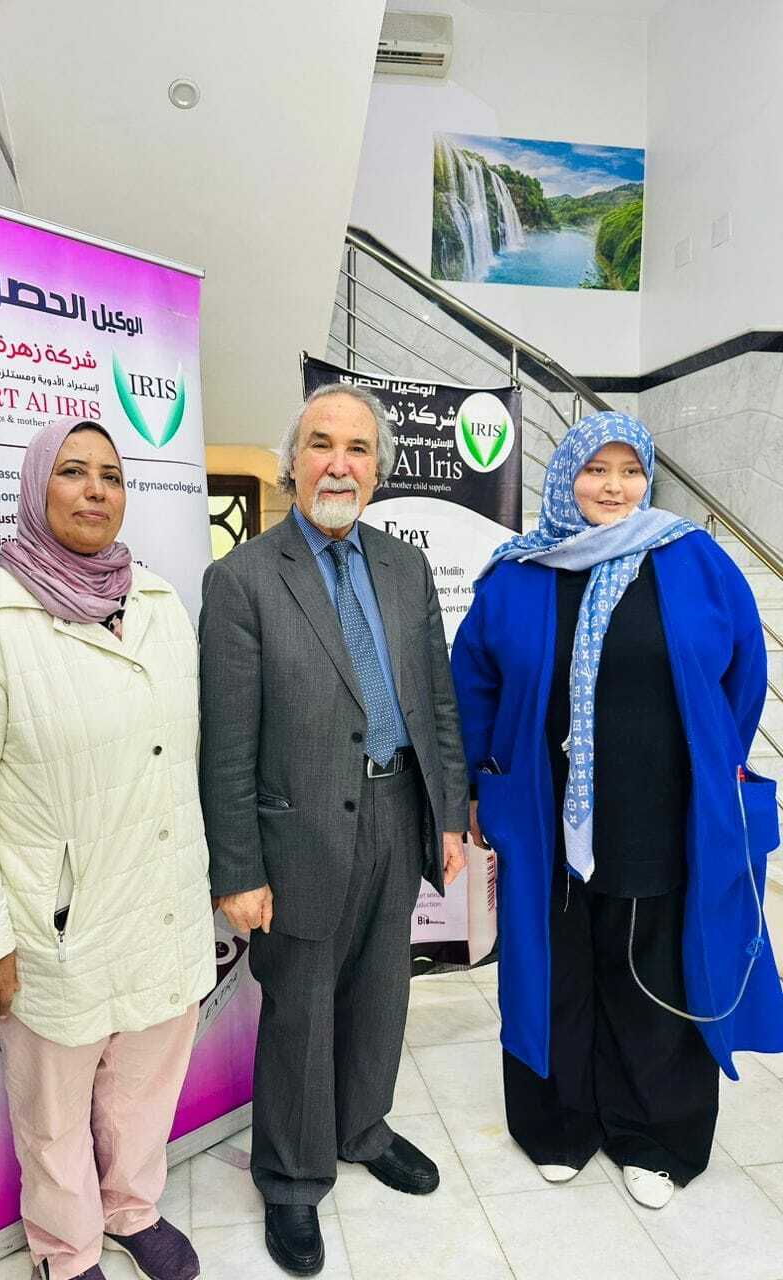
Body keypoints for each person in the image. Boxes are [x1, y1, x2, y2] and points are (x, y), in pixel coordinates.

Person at [452, 411, 783, 1210]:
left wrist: (711, 763)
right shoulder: (518, 573)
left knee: (653, 974)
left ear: (648, 478)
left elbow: (741, 675)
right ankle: (559, 1125)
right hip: (543, 817)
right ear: (565, 475)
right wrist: (479, 782)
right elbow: (474, 684)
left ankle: (654, 1137)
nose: (613, 486)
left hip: (661, 815)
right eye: (594, 469)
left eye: (630, 470)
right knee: (555, 969)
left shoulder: (693, 559)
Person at [0, 419, 216, 1280]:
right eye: (73, 472)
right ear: (36, 488)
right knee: (51, 1108)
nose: (95, 490)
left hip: (158, 903)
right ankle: (66, 1247)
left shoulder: (158, 604)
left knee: (144, 1084)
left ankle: (131, 1207)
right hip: (57, 923)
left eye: (110, 476)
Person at [198, 383, 468, 1275]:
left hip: (398, 811)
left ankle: (363, 1127)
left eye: (358, 449)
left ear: (378, 469)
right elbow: (226, 743)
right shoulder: (242, 579)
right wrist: (238, 869)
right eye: (321, 444)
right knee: (302, 1008)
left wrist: (449, 816)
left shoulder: (406, 568)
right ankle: (290, 1175)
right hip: (297, 831)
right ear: (293, 462)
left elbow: (436, 702)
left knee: (384, 988)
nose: (339, 465)